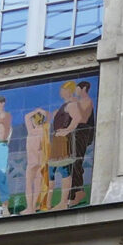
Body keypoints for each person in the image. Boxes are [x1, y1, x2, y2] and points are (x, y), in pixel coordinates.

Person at [47, 81, 83, 210]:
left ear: (69, 91)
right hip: (57, 139)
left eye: (63, 90)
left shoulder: (72, 104)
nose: (61, 92)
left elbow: (77, 118)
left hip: (63, 139)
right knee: (52, 169)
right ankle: (48, 203)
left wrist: (67, 131)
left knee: (64, 169)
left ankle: (63, 202)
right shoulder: (65, 105)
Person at [69, 80, 96, 203]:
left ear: (83, 88)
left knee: (76, 162)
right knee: (73, 162)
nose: (76, 91)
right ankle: (74, 192)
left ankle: (78, 193)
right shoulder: (80, 102)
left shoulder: (87, 101)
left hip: (83, 132)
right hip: (77, 133)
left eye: (77, 88)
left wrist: (76, 105)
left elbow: (83, 118)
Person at [24, 109, 49, 213]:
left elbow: (26, 116)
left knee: (29, 184)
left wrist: (37, 110)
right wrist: (42, 112)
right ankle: (33, 207)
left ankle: (30, 208)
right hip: (41, 160)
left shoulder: (32, 131)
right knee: (38, 184)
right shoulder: (44, 131)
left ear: (34, 121)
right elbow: (48, 116)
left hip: (32, 161)